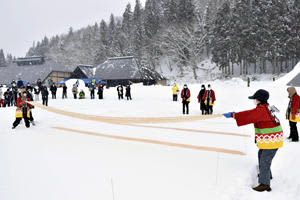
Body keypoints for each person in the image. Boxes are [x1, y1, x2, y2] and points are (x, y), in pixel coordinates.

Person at [224, 89, 283, 192]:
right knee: (262, 155)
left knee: (265, 160)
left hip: (273, 140)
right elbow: (252, 114)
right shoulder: (265, 107)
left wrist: (234, 115)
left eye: (255, 98)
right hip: (272, 139)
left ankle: (264, 184)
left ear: (259, 99)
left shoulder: (262, 110)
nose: (254, 100)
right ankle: (266, 175)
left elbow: (249, 115)